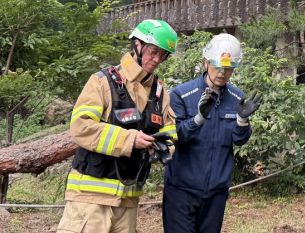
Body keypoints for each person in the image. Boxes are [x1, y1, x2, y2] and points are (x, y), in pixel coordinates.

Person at [57, 19, 178, 233]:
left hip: (128, 201)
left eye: (163, 55)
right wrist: (129, 139)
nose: (157, 59)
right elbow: (81, 127)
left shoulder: (160, 93)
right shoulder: (103, 82)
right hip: (90, 198)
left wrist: (160, 149)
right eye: (153, 52)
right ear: (137, 44)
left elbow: (170, 135)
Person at [163, 33, 262, 233]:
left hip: (216, 193)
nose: (222, 73)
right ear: (206, 62)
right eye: (217, 66)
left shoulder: (237, 98)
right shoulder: (181, 94)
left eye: (229, 69)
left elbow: (239, 140)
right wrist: (197, 119)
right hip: (181, 190)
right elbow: (174, 137)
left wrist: (242, 121)